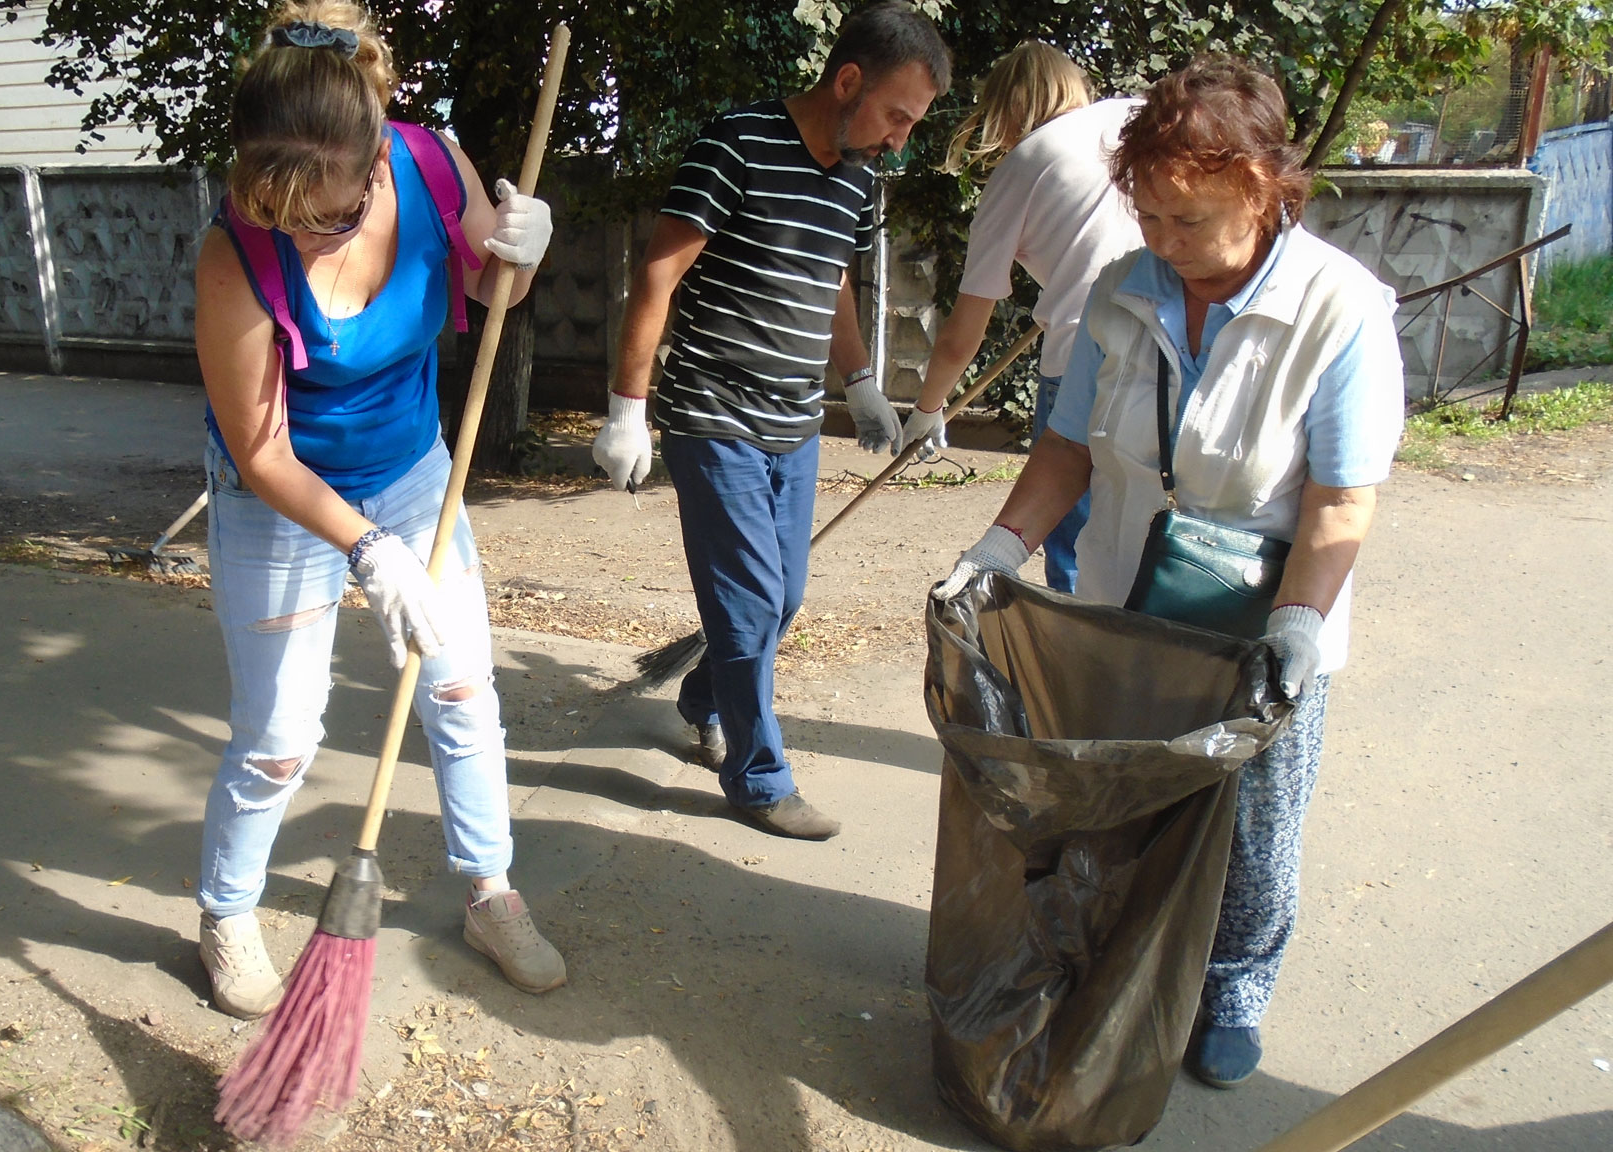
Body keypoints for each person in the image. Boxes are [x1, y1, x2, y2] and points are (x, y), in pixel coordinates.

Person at [933, 56, 1404, 1088]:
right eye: (1148, 214)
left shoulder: (1340, 309)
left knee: (1254, 822)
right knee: (1123, 803)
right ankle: (1127, 959)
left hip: (1261, 619)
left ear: (1262, 189)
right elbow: (1066, 450)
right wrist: (997, 549)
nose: (1164, 240)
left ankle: (1233, 987)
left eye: (1189, 219)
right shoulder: (1120, 289)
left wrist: (1298, 627)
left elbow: (1340, 500)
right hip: (1126, 607)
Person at [190, 0, 564, 1019]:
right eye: (290, 217)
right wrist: (368, 551)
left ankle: (489, 892)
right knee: (279, 735)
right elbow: (262, 452)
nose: (311, 233)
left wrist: (522, 252)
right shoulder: (233, 252)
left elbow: (494, 293)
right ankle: (228, 913)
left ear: (375, 164)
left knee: (462, 690)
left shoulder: (430, 164)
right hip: (279, 494)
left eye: (335, 212)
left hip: (410, 467)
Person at [591, 1, 950, 840]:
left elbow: (834, 279)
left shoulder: (859, 178)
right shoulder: (737, 143)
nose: (901, 140)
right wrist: (627, 409)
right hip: (713, 412)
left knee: (782, 598)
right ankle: (758, 778)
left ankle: (703, 696)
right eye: (898, 116)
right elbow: (659, 273)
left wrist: (860, 381)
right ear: (848, 80)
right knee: (751, 603)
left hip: (795, 419)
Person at [905, 41, 1143, 594]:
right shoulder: (1134, 117)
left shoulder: (1023, 164)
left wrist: (928, 407)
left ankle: (1079, 640)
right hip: (1173, 349)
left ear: (1005, 109)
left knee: (1074, 543)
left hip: (1081, 359)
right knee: (1148, 530)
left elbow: (963, 332)